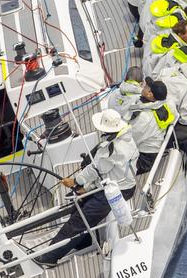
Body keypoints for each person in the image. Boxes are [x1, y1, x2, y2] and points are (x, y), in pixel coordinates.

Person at [34, 109, 140, 266]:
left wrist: (76, 181)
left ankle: (49, 257)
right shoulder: (127, 140)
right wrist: (88, 188)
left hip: (114, 191)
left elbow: (95, 169)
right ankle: (83, 242)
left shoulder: (110, 148)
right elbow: (106, 171)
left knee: (78, 221)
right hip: (120, 185)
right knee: (80, 206)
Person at [127, 78, 174, 175]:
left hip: (145, 159)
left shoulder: (144, 117)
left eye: (145, 87)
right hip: (152, 149)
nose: (142, 87)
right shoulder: (164, 105)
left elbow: (130, 140)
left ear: (150, 94)